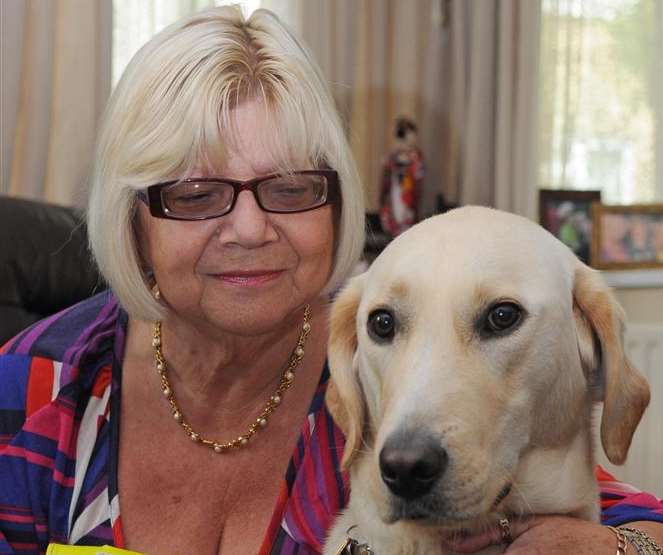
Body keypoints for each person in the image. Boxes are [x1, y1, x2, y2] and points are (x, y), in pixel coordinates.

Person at [0, 6, 661, 555]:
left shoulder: (380, 367)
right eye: (198, 193)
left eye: (291, 188)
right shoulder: (39, 385)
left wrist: (617, 547)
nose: (251, 228)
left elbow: (621, 516)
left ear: (338, 205)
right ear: (135, 221)